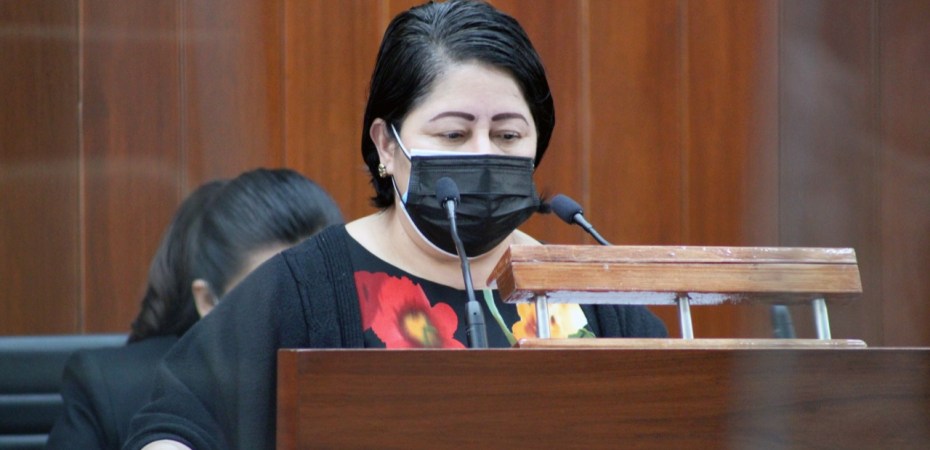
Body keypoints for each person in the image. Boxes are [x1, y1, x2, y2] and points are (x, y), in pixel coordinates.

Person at [124, 1, 668, 449]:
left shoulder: (592, 300)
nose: (482, 154)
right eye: (453, 135)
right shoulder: (308, 287)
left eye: (507, 136)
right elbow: (175, 422)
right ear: (387, 145)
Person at [46, 168, 343, 450]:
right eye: (272, 302)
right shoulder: (115, 390)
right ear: (209, 302)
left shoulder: (356, 383)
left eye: (320, 295)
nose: (298, 321)